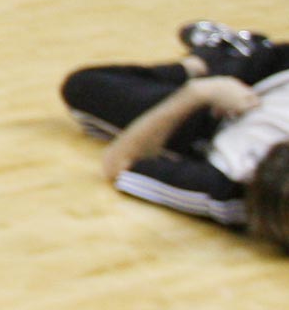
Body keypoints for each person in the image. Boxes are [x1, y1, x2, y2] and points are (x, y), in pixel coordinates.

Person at [62, 22, 289, 251]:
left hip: (221, 113)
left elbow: (119, 163)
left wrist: (199, 94)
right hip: (273, 71)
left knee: (86, 85)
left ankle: (210, 60)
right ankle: (224, 59)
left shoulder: (224, 187)